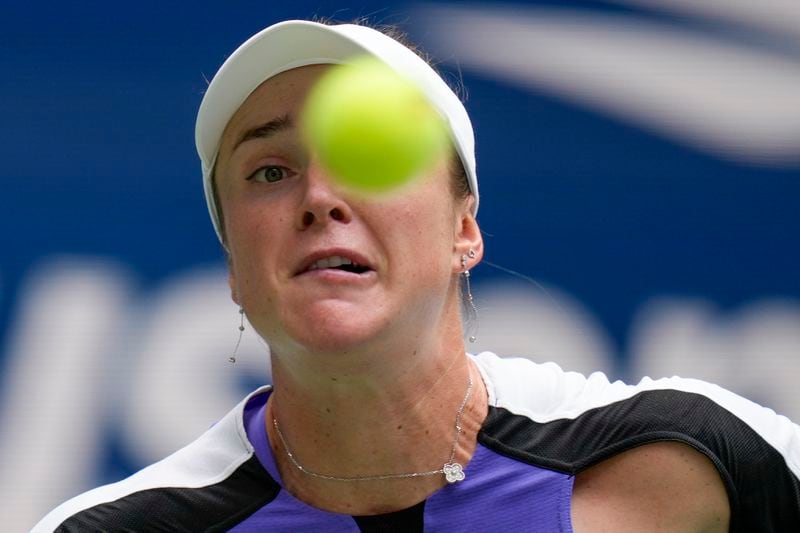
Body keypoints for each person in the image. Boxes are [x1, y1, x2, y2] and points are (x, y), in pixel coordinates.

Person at [34, 19, 799, 533]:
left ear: (463, 228)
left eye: (371, 156)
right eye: (270, 170)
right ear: (235, 265)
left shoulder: (685, 460)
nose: (320, 198)